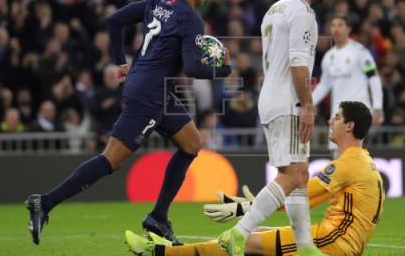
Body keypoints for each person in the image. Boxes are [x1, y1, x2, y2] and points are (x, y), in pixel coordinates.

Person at [25, 0, 231, 246]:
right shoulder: (191, 19)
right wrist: (224, 70)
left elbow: (114, 21)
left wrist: (120, 61)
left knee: (192, 144)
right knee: (111, 159)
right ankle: (45, 202)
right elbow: (193, 68)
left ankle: (158, 216)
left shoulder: (155, 3)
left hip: (148, 85)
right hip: (150, 95)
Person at [124, 101, 385, 256]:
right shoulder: (362, 159)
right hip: (336, 241)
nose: (330, 121)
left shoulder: (348, 163)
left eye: (337, 117)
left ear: (349, 126)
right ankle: (171, 248)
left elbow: (296, 197)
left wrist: (242, 207)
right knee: (252, 235)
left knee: (244, 241)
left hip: (332, 243)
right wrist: (251, 207)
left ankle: (161, 252)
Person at [219, 0, 332, 256]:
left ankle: (305, 246)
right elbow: (298, 64)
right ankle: (237, 234)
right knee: (290, 175)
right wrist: (307, 106)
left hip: (271, 97)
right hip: (288, 101)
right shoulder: (302, 12)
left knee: (299, 175)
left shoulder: (274, 9)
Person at [312, 15, 384, 156]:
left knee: (352, 153)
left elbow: (373, 78)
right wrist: (307, 103)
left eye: (340, 25)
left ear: (348, 29)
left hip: (358, 112)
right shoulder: (329, 57)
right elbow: (324, 85)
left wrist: (378, 107)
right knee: (337, 155)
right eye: (333, 25)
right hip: (338, 115)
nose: (336, 29)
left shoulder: (360, 52)